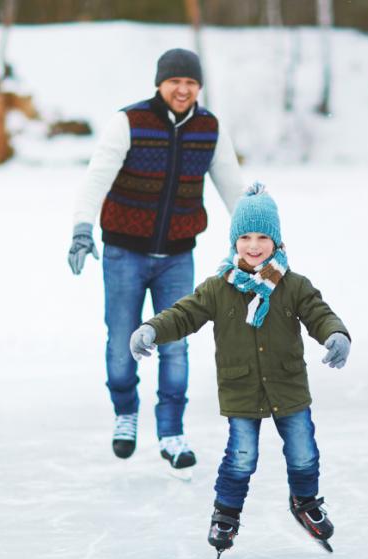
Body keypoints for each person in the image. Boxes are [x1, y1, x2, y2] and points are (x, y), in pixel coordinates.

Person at [129, 184, 351, 557]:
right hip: (241, 389)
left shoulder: (293, 285)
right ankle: (226, 513)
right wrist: (152, 328)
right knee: (242, 456)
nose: (253, 245)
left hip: (288, 386)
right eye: (245, 237)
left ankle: (306, 502)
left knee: (303, 453)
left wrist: (336, 334)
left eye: (263, 236)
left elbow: (319, 314)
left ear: (276, 242)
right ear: (234, 242)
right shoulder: (219, 288)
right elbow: (184, 314)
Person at [67, 48, 245, 475]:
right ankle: (126, 412)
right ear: (160, 84)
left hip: (177, 255)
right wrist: (81, 228)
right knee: (121, 342)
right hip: (124, 252)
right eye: (174, 82)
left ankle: (170, 432)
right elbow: (97, 176)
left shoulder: (209, 129)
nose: (182, 90)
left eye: (190, 83)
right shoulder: (128, 122)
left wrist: (256, 240)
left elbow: (233, 187)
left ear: (198, 87)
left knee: (176, 345)